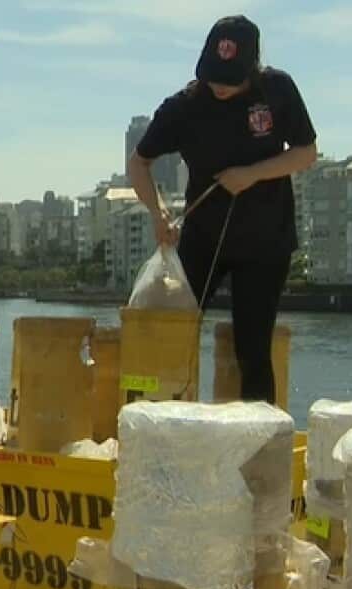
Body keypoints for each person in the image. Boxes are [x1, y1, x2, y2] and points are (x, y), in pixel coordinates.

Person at [128, 15, 317, 404]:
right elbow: (138, 162)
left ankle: (257, 445)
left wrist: (252, 174)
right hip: (202, 237)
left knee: (252, 348)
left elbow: (305, 153)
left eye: (229, 80)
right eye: (213, 76)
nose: (219, 87)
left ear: (252, 67)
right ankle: (163, 420)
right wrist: (158, 212)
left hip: (266, 242)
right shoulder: (184, 107)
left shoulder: (277, 90)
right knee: (170, 329)